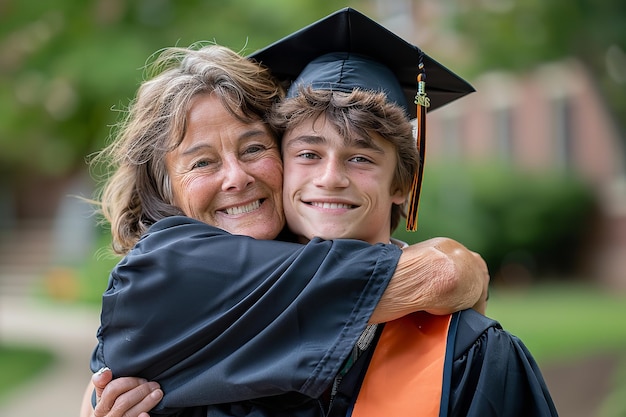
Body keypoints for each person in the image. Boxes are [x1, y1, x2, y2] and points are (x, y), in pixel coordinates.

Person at [88, 7, 558, 417]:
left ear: (403, 184)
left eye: (361, 157)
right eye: (309, 153)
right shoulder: (168, 300)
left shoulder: (472, 352)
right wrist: (450, 268)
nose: (330, 177)